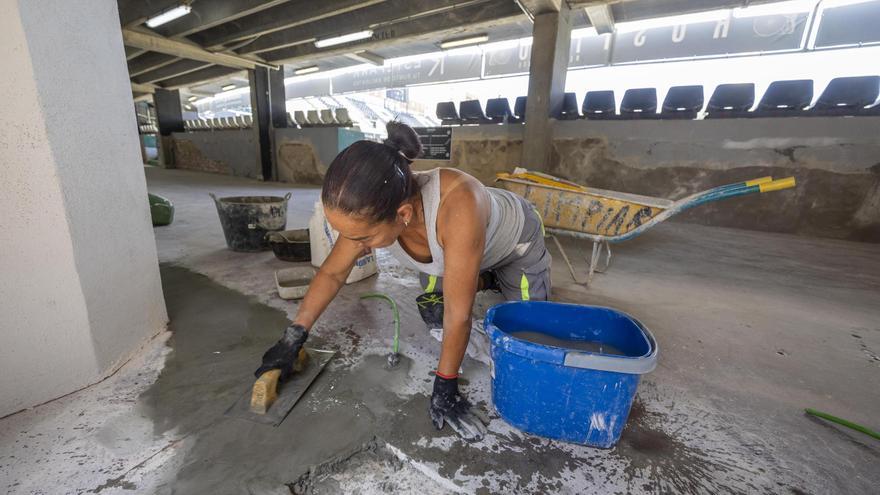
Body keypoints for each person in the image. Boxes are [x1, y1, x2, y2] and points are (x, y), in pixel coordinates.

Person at [255, 121, 551, 442]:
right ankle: (480, 276)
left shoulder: (459, 205)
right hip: (457, 247)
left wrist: (445, 384)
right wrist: (293, 335)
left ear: (404, 213)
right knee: (434, 304)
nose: (356, 244)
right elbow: (332, 272)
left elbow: (459, 315)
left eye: (363, 236)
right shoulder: (373, 208)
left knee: (528, 335)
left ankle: (490, 276)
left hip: (515, 242)